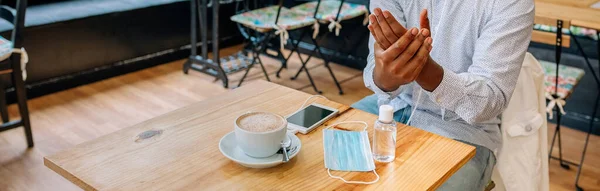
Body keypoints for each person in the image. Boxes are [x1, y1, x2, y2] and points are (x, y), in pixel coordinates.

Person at [352, 0, 534, 190]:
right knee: (324, 151)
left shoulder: (511, 3)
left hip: (464, 130)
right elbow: (376, 64)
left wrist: (422, 68)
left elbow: (489, 100)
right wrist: (384, 76)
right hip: (390, 107)